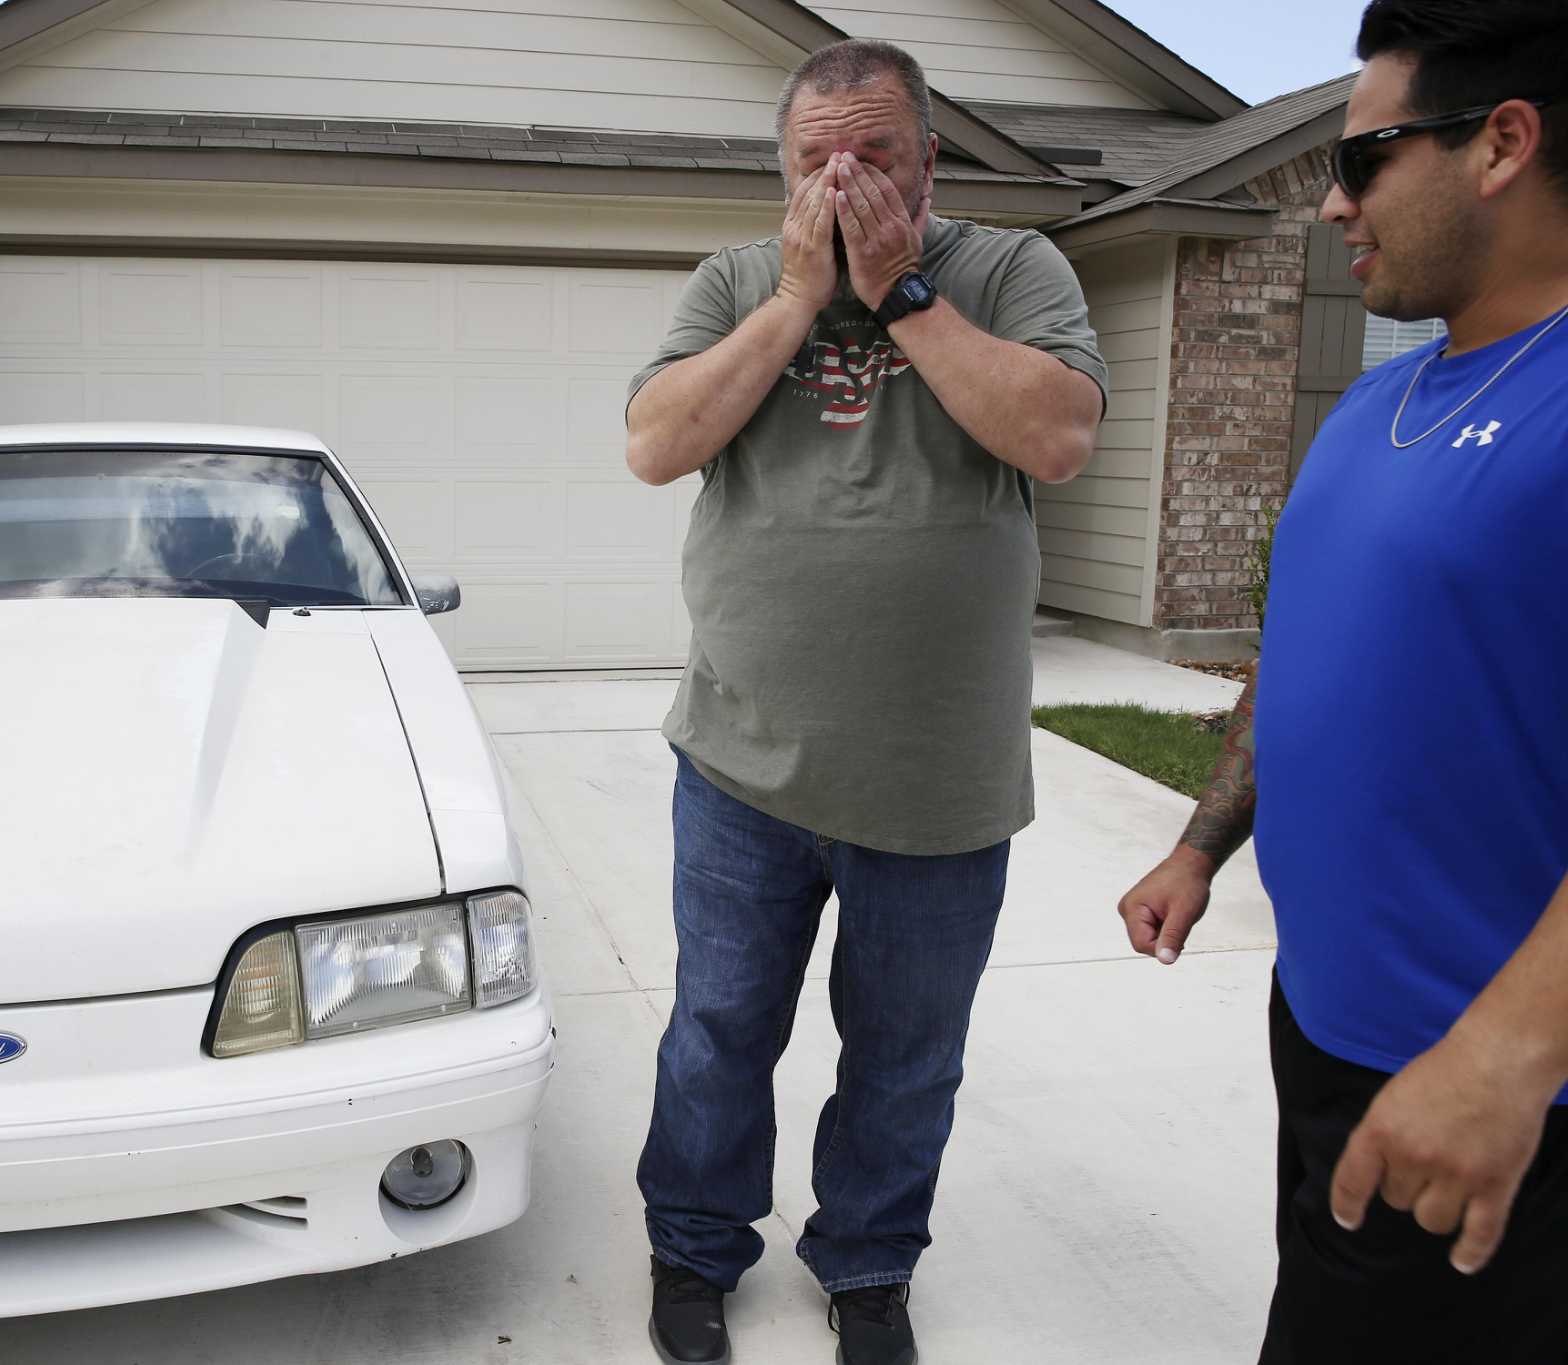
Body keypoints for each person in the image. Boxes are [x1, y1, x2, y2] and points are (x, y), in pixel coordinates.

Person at [624, 38, 1106, 1365]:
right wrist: (790, 304)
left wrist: (898, 295)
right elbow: (657, 443)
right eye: (811, 159)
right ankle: (693, 1246)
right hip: (741, 764)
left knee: (906, 1056)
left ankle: (870, 1261)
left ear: (931, 163)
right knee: (718, 1030)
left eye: (874, 155)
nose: (840, 179)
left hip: (939, 785)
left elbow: (1058, 434)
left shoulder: (1011, 273)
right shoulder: (735, 280)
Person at [1114, 2, 1568, 1360]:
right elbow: (1305, 657)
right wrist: (1203, 842)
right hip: (1326, 1027)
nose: (1327, 205)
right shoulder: (1383, 402)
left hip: (1486, 1093)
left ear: (1500, 143)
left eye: (1362, 159)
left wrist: (1512, 1050)